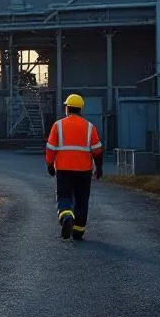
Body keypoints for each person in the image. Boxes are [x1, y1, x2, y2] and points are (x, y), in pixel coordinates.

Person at [45, 93, 104, 240]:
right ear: (81, 109)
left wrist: (50, 164)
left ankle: (66, 217)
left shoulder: (57, 125)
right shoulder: (90, 127)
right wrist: (99, 167)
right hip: (84, 171)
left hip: (64, 170)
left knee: (64, 196)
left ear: (67, 108)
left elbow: (51, 148)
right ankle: (78, 231)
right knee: (82, 200)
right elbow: (97, 151)